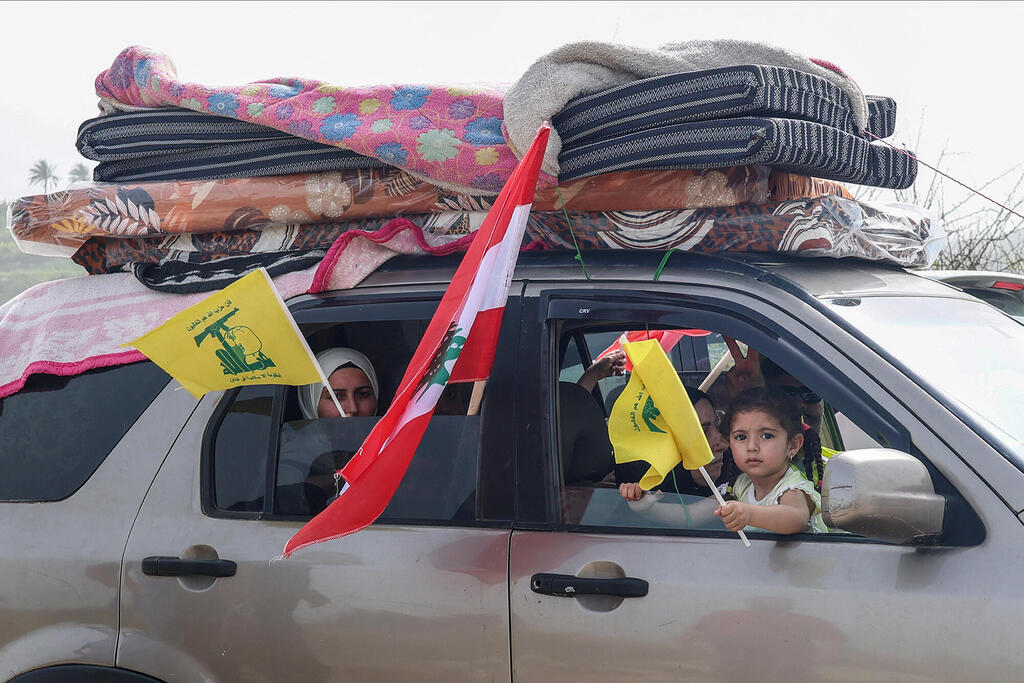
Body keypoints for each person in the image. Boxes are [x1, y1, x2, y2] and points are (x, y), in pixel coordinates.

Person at [714, 386, 827, 534]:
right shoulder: (741, 484)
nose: (752, 447)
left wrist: (749, 514)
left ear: (793, 445)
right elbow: (694, 513)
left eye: (767, 436)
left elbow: (796, 518)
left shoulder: (792, 488)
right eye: (741, 437)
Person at [618, 385, 729, 501]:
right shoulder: (638, 502)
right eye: (702, 433)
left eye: (717, 425)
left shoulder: (741, 485)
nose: (723, 445)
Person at [298, 347, 379, 419]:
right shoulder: (288, 436)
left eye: (363, 394)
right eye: (337, 396)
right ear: (311, 402)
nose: (353, 408)